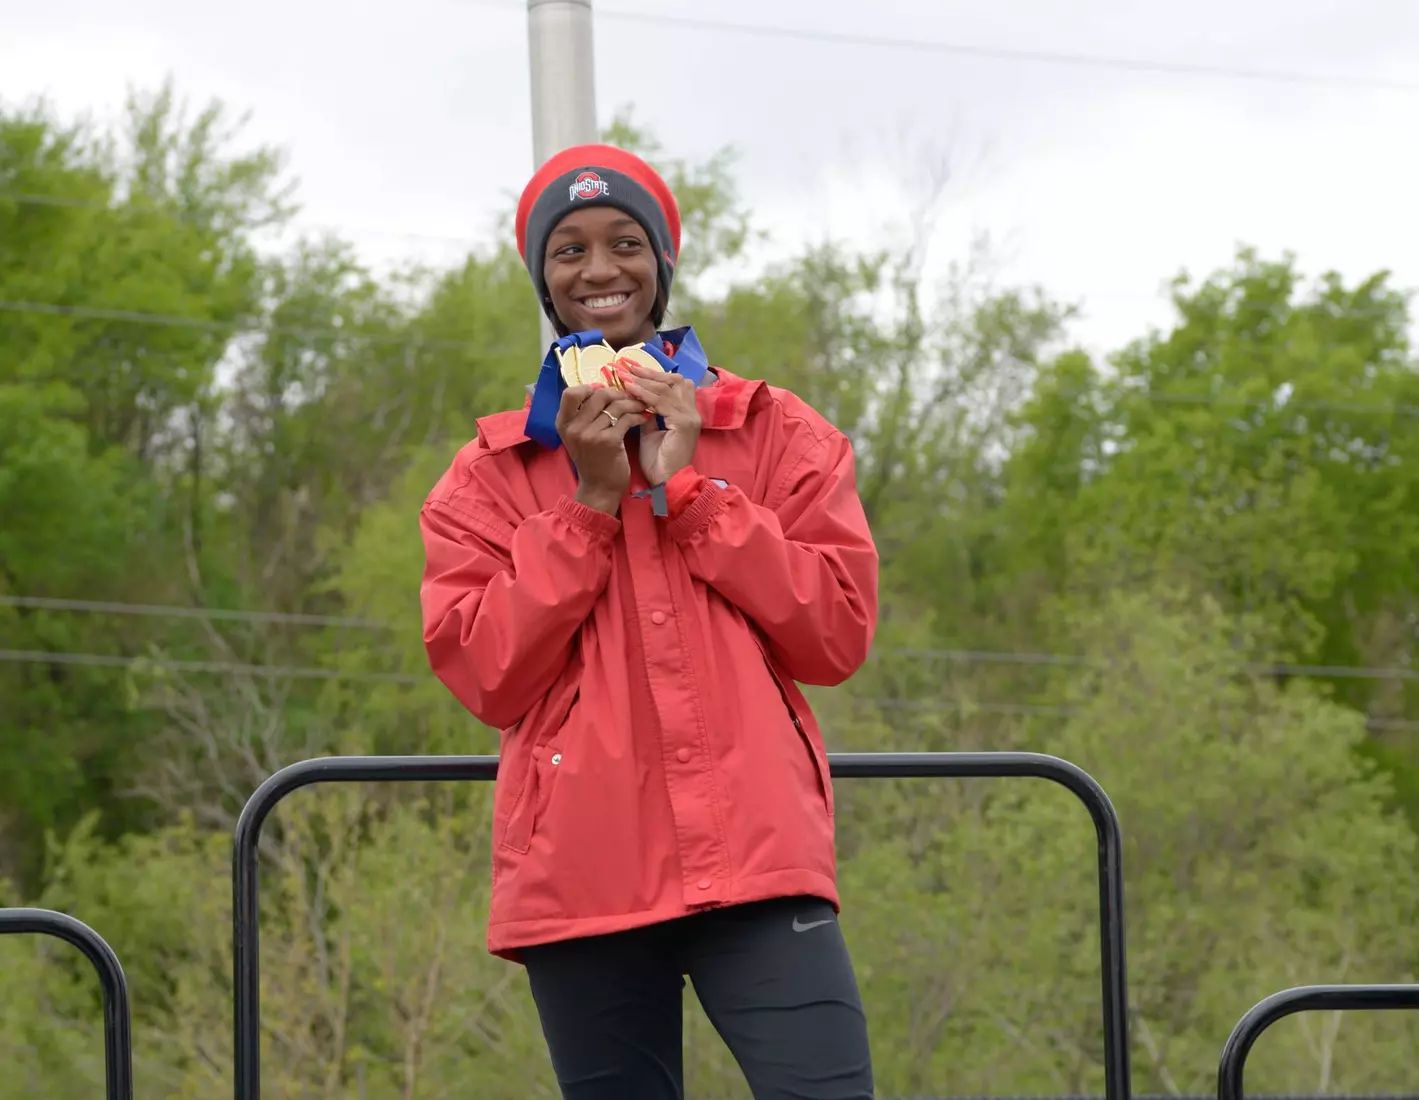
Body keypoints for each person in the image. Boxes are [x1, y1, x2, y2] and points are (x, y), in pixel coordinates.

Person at [419, 143, 880, 1100]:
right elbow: (485, 675)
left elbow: (836, 636)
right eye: (569, 251)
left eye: (625, 243)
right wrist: (588, 505)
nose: (599, 271)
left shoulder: (773, 430)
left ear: (662, 263)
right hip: (580, 875)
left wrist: (696, 489)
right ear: (542, 279)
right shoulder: (488, 475)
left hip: (759, 862)